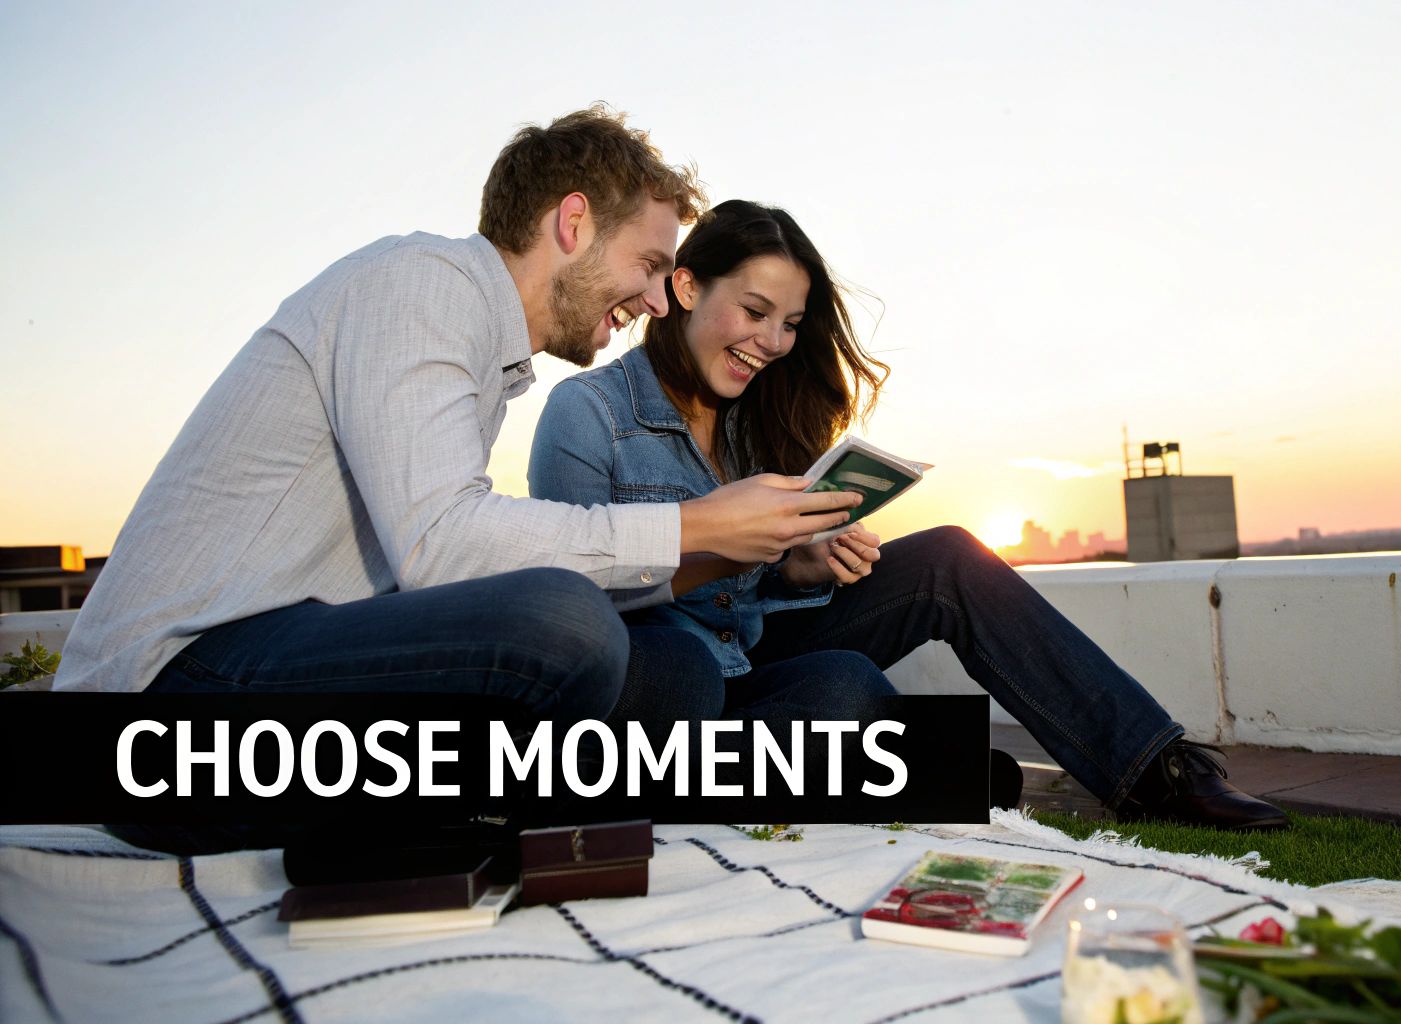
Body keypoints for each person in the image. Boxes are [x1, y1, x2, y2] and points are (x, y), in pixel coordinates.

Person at [55, 109, 862, 848]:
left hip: (280, 669)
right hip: (166, 698)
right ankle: (511, 813)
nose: (657, 299)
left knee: (684, 673)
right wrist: (698, 528)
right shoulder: (421, 284)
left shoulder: (485, 358)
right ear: (573, 224)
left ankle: (495, 814)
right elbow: (441, 543)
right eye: (649, 264)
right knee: (563, 620)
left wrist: (745, 550)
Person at [529, 200, 1288, 829]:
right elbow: (578, 610)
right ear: (687, 289)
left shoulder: (756, 424)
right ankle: (903, 763)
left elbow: (753, 603)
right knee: (838, 687)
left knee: (951, 560)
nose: (772, 343)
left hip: (750, 668)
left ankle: (1153, 767)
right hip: (667, 687)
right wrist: (729, 552)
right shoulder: (587, 414)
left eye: (789, 324)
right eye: (755, 311)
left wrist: (800, 565)